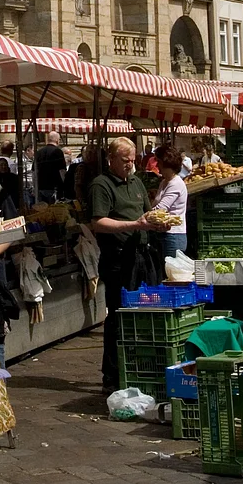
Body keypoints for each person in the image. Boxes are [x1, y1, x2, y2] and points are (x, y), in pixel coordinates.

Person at [89, 138, 167, 391]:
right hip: (118, 259)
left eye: (132, 160)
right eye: (125, 160)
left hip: (143, 256)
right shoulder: (101, 185)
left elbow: (147, 212)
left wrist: (159, 223)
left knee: (144, 314)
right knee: (118, 317)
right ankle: (112, 376)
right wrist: (134, 225)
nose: (130, 165)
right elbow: (98, 222)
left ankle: (139, 369)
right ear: (111, 158)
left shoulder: (136, 182)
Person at [148, 147, 188, 261]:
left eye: (159, 162)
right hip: (164, 234)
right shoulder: (165, 182)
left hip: (173, 236)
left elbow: (161, 209)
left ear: (166, 163)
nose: (157, 166)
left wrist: (144, 215)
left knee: (171, 273)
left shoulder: (175, 184)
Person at [34, 131, 68, 204]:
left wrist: (35, 187)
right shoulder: (58, 152)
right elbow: (62, 171)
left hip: (40, 187)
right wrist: (65, 184)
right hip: (54, 187)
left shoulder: (39, 152)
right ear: (57, 140)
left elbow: (34, 171)